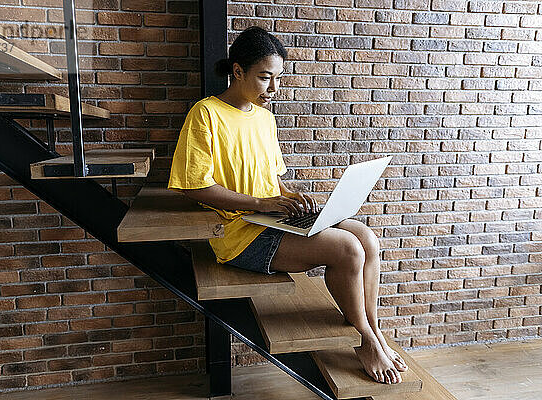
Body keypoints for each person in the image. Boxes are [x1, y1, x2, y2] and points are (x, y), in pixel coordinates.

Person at [168, 26, 407, 385]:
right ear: (238, 71)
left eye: (278, 78)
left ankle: (373, 329)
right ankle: (365, 339)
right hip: (239, 234)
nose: (274, 89)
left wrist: (287, 195)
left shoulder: (265, 117)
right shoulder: (206, 114)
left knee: (366, 238)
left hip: (272, 218)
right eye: (266, 78)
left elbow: (268, 175)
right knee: (347, 249)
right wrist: (262, 201)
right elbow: (194, 186)